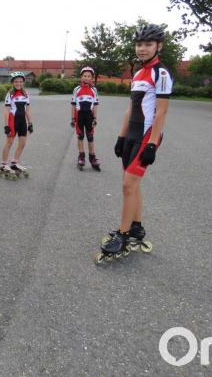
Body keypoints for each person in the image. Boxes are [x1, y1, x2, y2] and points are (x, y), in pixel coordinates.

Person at [96, 23, 173, 262]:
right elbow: (131, 108)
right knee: (132, 185)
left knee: (128, 186)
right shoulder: (138, 73)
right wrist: (121, 136)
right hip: (131, 134)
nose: (142, 48)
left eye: (148, 44)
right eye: (139, 44)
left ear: (158, 46)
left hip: (146, 136)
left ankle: (123, 234)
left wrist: (151, 144)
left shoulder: (160, 73)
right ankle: (136, 227)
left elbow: (161, 113)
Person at [0, 72, 33, 179]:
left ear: (23, 82)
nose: (18, 83)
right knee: (9, 142)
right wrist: (6, 125)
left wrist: (30, 123)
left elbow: (27, 110)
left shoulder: (26, 94)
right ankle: (4, 164)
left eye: (20, 81)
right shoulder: (10, 94)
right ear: (13, 83)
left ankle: (14, 162)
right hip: (12, 121)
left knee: (22, 143)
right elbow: (6, 110)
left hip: (22, 121)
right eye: (16, 81)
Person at [70, 67, 100, 171]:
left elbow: (95, 105)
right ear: (81, 77)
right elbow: (73, 105)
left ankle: (92, 157)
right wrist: (72, 118)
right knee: (80, 136)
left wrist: (95, 118)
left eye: (89, 76)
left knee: (90, 137)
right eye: (84, 76)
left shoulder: (94, 90)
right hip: (79, 115)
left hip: (89, 116)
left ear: (92, 78)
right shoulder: (76, 89)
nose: (86, 78)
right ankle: (81, 156)